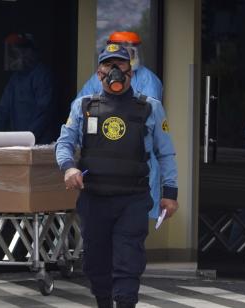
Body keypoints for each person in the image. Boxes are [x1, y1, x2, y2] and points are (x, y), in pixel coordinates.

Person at [55, 44, 178, 308]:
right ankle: (102, 301)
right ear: (99, 72)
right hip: (94, 197)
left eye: (120, 65)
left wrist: (170, 193)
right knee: (96, 260)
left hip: (133, 198)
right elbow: (64, 143)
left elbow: (166, 153)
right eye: (108, 65)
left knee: (128, 258)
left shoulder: (150, 108)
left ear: (130, 71)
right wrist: (68, 167)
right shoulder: (84, 106)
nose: (114, 71)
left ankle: (124, 303)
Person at [0, 33, 56, 144]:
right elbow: (3, 109)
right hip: (20, 140)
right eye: (13, 53)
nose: (15, 58)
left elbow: (43, 112)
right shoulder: (15, 78)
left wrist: (27, 137)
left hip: (39, 142)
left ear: (30, 52)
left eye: (17, 53)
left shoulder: (42, 75)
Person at [76, 31, 163, 101]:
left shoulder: (148, 79)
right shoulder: (98, 77)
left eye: (123, 59)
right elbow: (79, 107)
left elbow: (151, 112)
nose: (116, 65)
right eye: (113, 59)